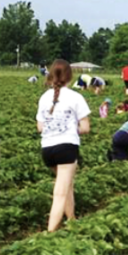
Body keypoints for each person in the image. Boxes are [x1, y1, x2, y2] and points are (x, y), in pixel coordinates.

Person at [36, 59, 91, 232]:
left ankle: (72, 220)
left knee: (67, 185)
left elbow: (40, 127)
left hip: (47, 149)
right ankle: (50, 233)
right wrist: (70, 127)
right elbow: (85, 128)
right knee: (59, 193)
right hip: (66, 147)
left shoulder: (44, 97)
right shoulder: (76, 97)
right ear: (69, 76)